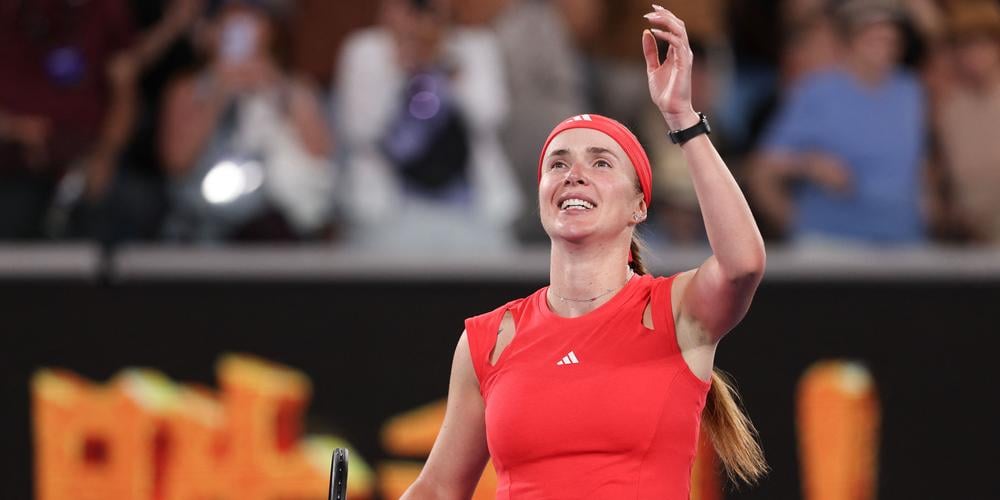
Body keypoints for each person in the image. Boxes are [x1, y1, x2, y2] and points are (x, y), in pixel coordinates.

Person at [400, 6, 767, 499]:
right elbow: (439, 489)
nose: (574, 174)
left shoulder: (675, 312)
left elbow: (742, 263)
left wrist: (682, 118)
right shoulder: (489, 340)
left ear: (639, 206)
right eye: (558, 163)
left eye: (601, 163)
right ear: (541, 196)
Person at [335, 0, 522, 254]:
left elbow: (489, 116)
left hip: (471, 210)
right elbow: (361, 130)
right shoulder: (366, 50)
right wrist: (400, 65)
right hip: (389, 211)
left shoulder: (477, 46)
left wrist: (444, 59)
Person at [747, 0, 928, 246]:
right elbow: (763, 168)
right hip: (831, 241)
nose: (883, 50)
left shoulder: (911, 92)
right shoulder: (815, 92)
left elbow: (922, 166)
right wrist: (809, 166)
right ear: (850, 43)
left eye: (890, 41)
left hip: (902, 239)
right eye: (873, 40)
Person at [159, 0, 335, 242]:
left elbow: (321, 155)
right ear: (211, 30)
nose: (242, 28)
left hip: (277, 227)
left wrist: (275, 87)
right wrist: (219, 90)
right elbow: (177, 161)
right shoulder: (188, 89)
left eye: (253, 18)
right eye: (231, 18)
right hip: (203, 226)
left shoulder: (293, 88)